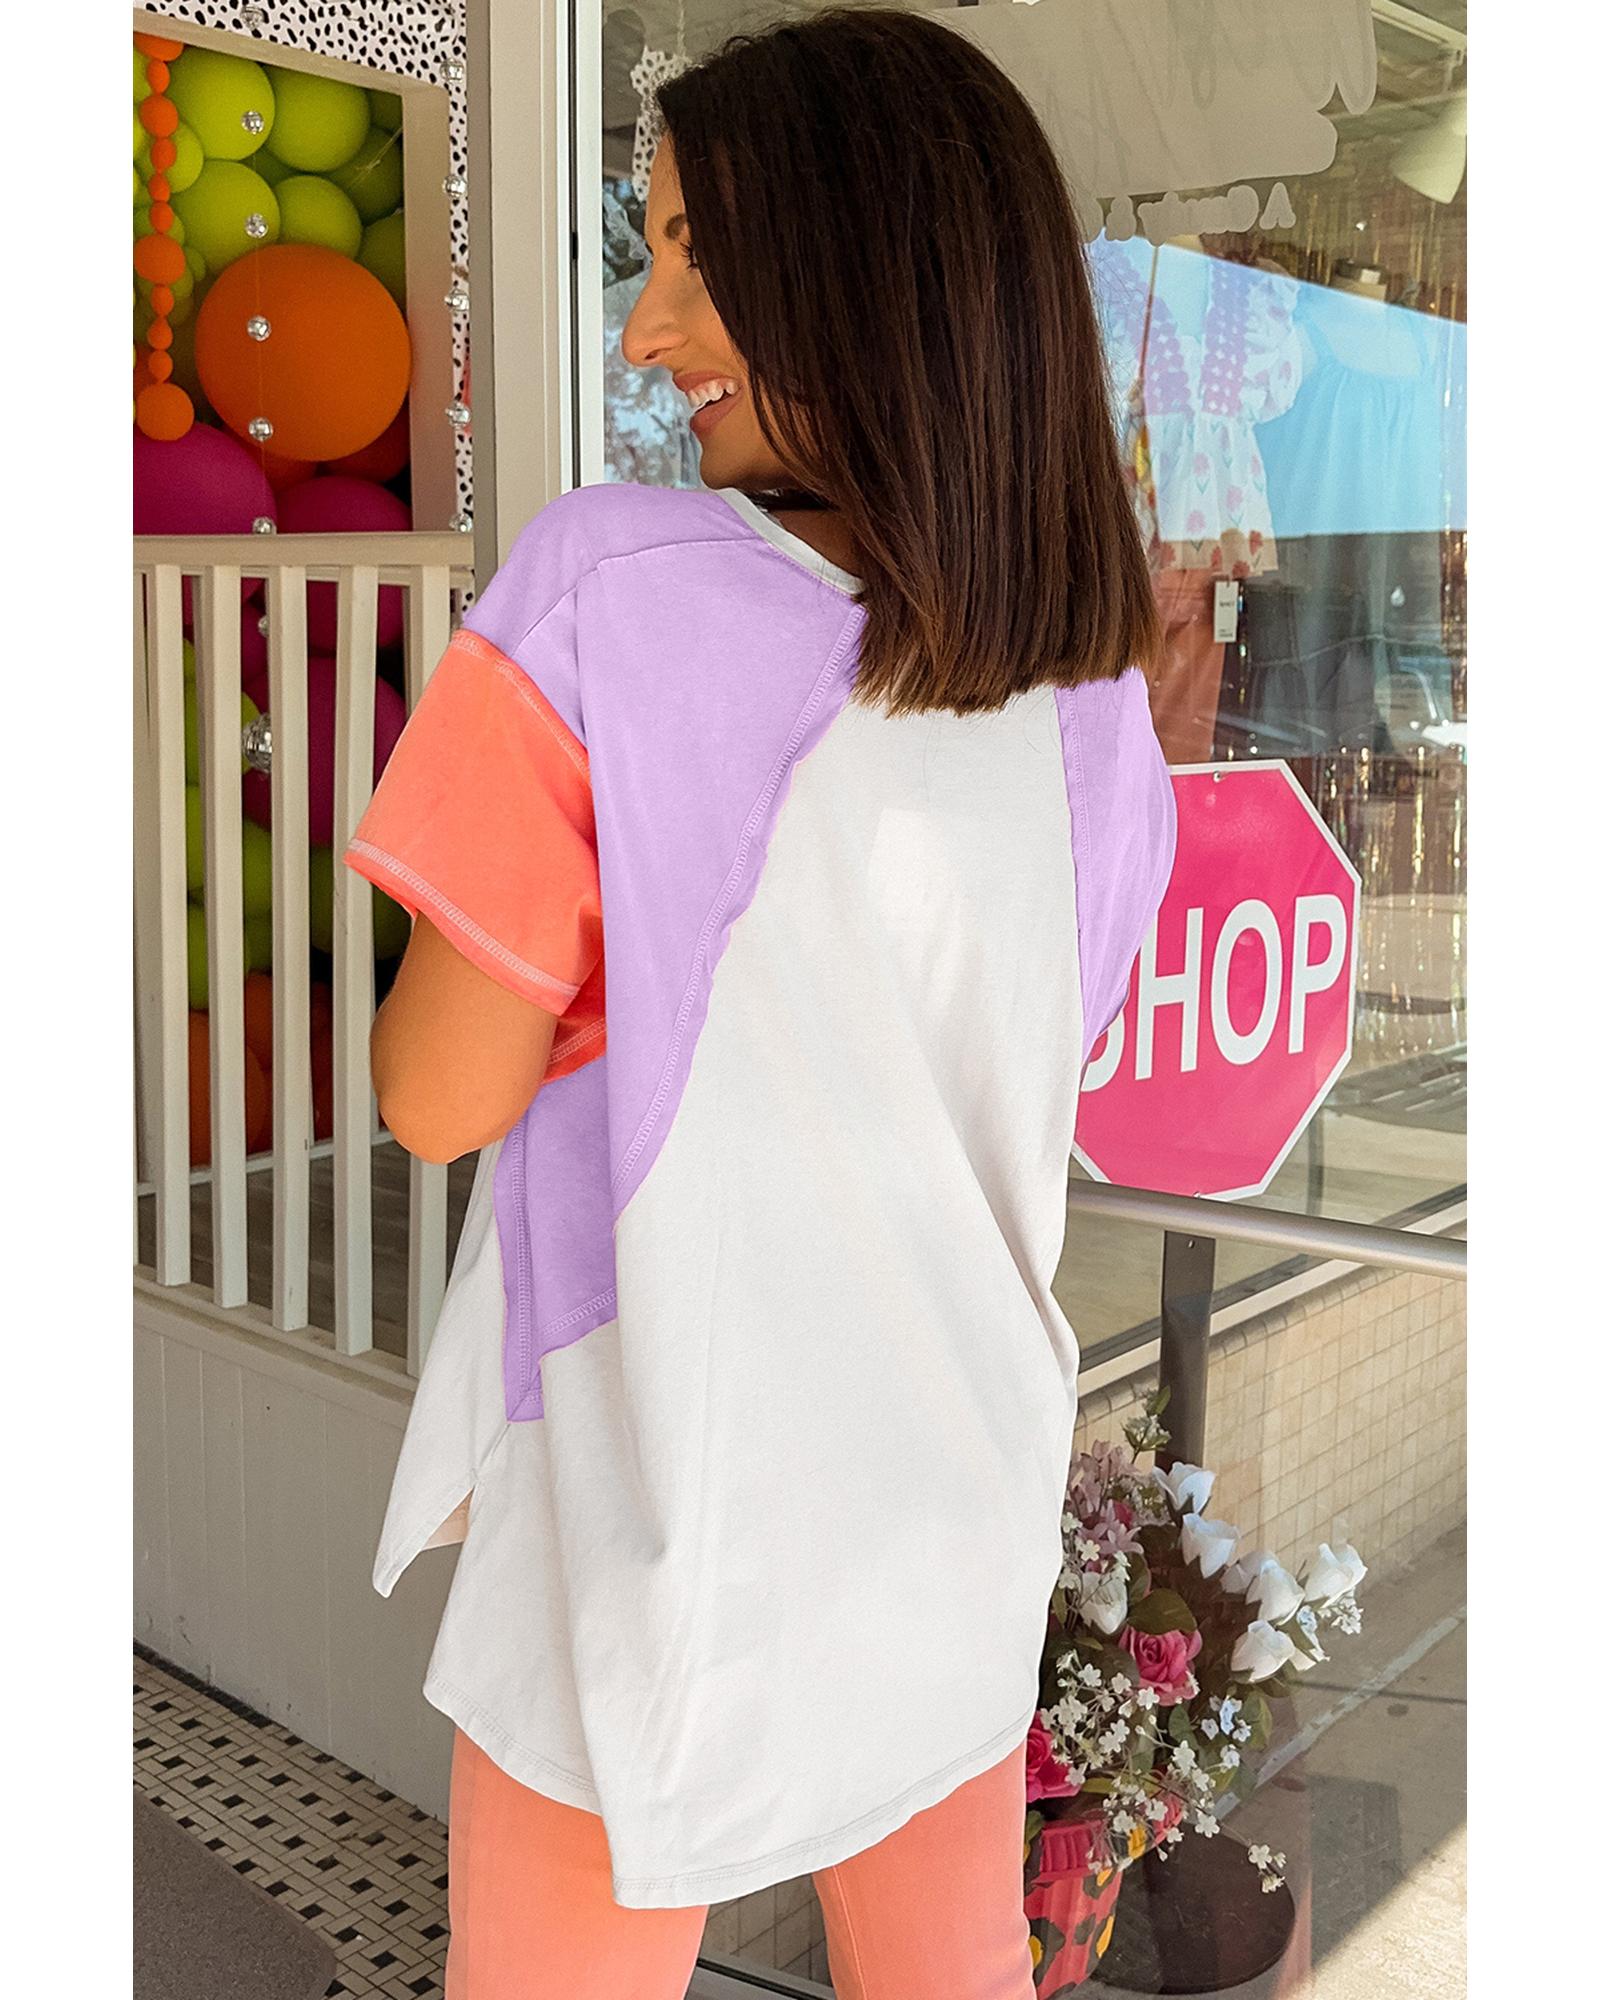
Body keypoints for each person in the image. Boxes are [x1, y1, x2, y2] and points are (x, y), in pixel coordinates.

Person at [341, 9, 1176, 1996]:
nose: (645, 333)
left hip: (659, 1504)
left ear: (869, 264)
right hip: (949, 1505)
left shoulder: (603, 588)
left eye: (694, 258)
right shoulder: (1093, 705)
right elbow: (1017, 1057)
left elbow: (433, 1094)